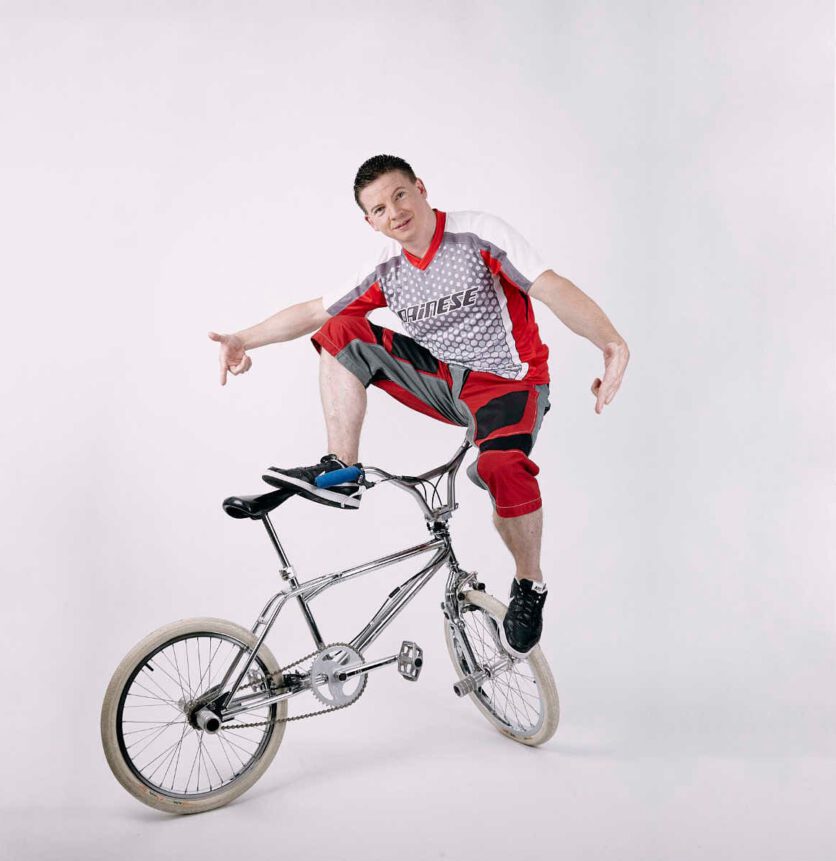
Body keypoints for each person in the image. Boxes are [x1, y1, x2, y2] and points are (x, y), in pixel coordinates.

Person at [207, 154, 628, 657]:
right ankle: (341, 468)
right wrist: (243, 339)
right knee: (339, 329)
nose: (395, 213)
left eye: (400, 195)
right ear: (370, 222)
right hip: (445, 382)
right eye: (379, 209)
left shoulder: (477, 235)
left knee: (501, 467)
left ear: (421, 189)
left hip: (509, 383)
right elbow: (314, 311)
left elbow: (550, 286)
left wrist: (609, 341)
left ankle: (529, 582)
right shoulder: (386, 269)